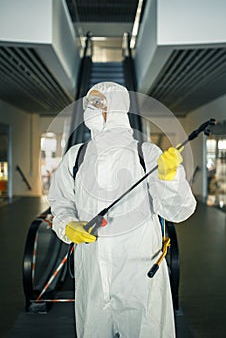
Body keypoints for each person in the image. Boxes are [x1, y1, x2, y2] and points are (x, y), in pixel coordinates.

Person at [48, 82, 196, 338]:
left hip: (139, 275)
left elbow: (178, 211)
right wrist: (67, 225)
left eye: (98, 103)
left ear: (116, 107)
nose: (90, 110)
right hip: (92, 275)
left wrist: (170, 177)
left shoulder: (146, 154)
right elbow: (61, 202)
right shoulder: (76, 156)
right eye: (88, 104)